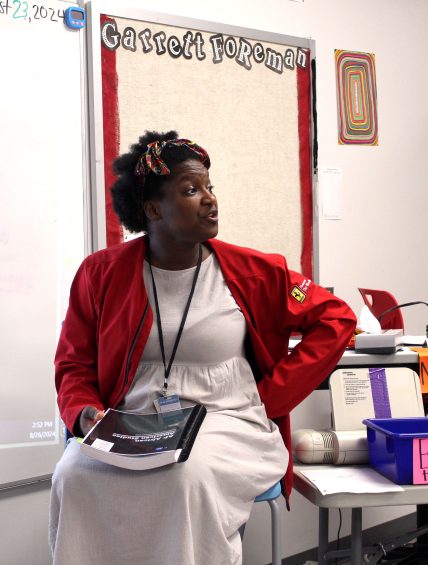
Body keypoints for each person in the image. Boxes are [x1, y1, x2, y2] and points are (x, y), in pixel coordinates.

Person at [49, 130, 356, 564]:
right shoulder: (100, 273)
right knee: (74, 473)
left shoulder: (256, 271)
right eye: (191, 190)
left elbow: (336, 319)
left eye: (209, 186)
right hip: (133, 419)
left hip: (227, 416)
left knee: (184, 474)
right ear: (152, 209)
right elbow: (74, 362)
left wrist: (273, 396)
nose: (210, 199)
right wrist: (82, 410)